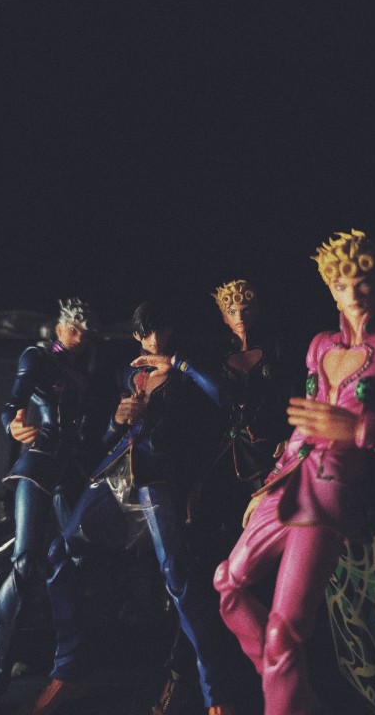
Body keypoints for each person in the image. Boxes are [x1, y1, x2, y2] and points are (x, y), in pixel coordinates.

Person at [211, 230, 375, 715]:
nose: (353, 293)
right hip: (290, 483)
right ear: (331, 290)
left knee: (284, 633)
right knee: (227, 584)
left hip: (333, 492)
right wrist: (270, 483)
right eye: (342, 284)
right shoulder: (320, 346)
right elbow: (305, 426)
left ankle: (285, 695)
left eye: (363, 281)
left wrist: (360, 430)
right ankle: (288, 688)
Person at [25, 301, 237, 715]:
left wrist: (178, 363)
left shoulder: (184, 373)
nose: (154, 339)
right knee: (59, 551)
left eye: (161, 329)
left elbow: (223, 398)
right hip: (116, 470)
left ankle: (216, 690)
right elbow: (107, 434)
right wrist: (117, 420)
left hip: (160, 475)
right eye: (146, 332)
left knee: (176, 573)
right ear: (136, 335)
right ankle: (68, 669)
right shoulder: (127, 374)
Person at [131, 280, 295, 715]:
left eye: (247, 307)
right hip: (217, 469)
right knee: (201, 574)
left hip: (266, 468)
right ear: (222, 315)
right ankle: (183, 674)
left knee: (264, 575)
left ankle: (269, 678)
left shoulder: (278, 351)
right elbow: (201, 407)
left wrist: (288, 438)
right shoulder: (208, 352)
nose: (240, 316)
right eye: (232, 309)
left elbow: (293, 399)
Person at [0, 298, 100, 715]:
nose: (78, 339)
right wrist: (13, 424)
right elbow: (13, 403)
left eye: (85, 333)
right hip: (38, 466)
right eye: (73, 330)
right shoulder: (37, 357)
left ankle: (67, 669)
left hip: (70, 472)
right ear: (59, 328)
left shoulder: (82, 374)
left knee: (72, 561)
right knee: (25, 563)